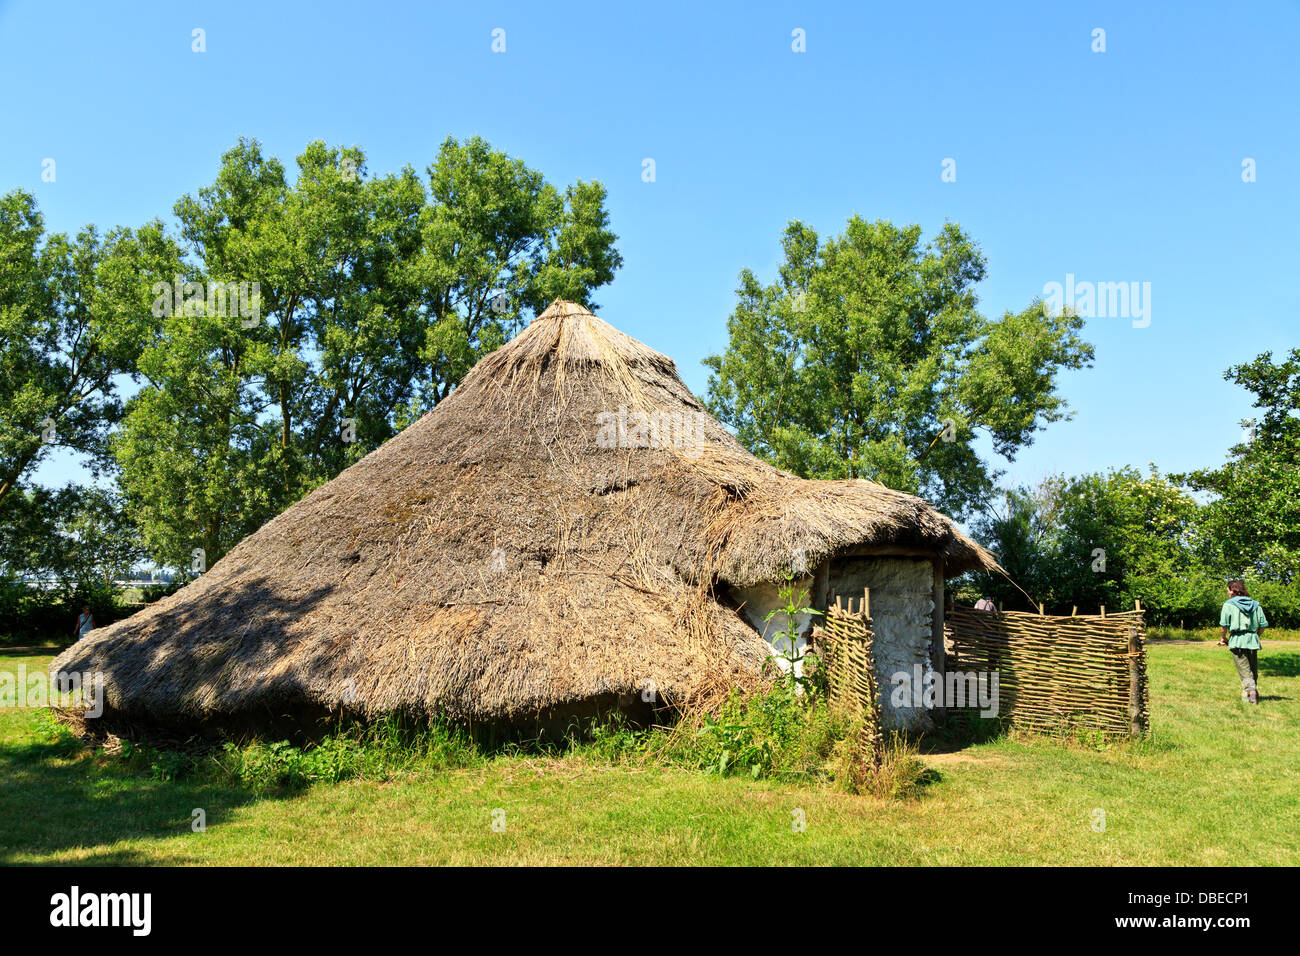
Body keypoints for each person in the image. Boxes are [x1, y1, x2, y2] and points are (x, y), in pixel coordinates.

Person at [1218, 580, 1268, 704]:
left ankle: (1251, 696)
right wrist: (1256, 636)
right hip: (1252, 641)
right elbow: (1263, 625)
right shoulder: (1256, 605)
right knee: (1252, 669)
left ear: (1232, 590)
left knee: (1245, 671)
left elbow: (1223, 625)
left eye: (1228, 591)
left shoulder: (1228, 605)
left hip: (1237, 641)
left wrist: (1223, 638)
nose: (1228, 594)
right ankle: (1253, 693)